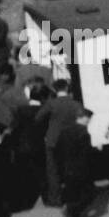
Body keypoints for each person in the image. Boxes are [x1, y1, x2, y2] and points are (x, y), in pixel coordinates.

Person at [36, 79, 82, 207]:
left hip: (52, 140)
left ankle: (56, 199)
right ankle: (75, 194)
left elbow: (38, 117)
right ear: (67, 88)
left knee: (53, 171)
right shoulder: (75, 104)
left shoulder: (51, 104)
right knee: (71, 168)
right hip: (70, 140)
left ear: (55, 90)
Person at [56, 108, 93, 217]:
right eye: (89, 118)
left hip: (67, 169)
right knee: (88, 195)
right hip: (80, 170)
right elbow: (86, 155)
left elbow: (58, 152)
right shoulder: (84, 133)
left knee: (73, 197)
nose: (90, 121)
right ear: (84, 117)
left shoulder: (63, 132)